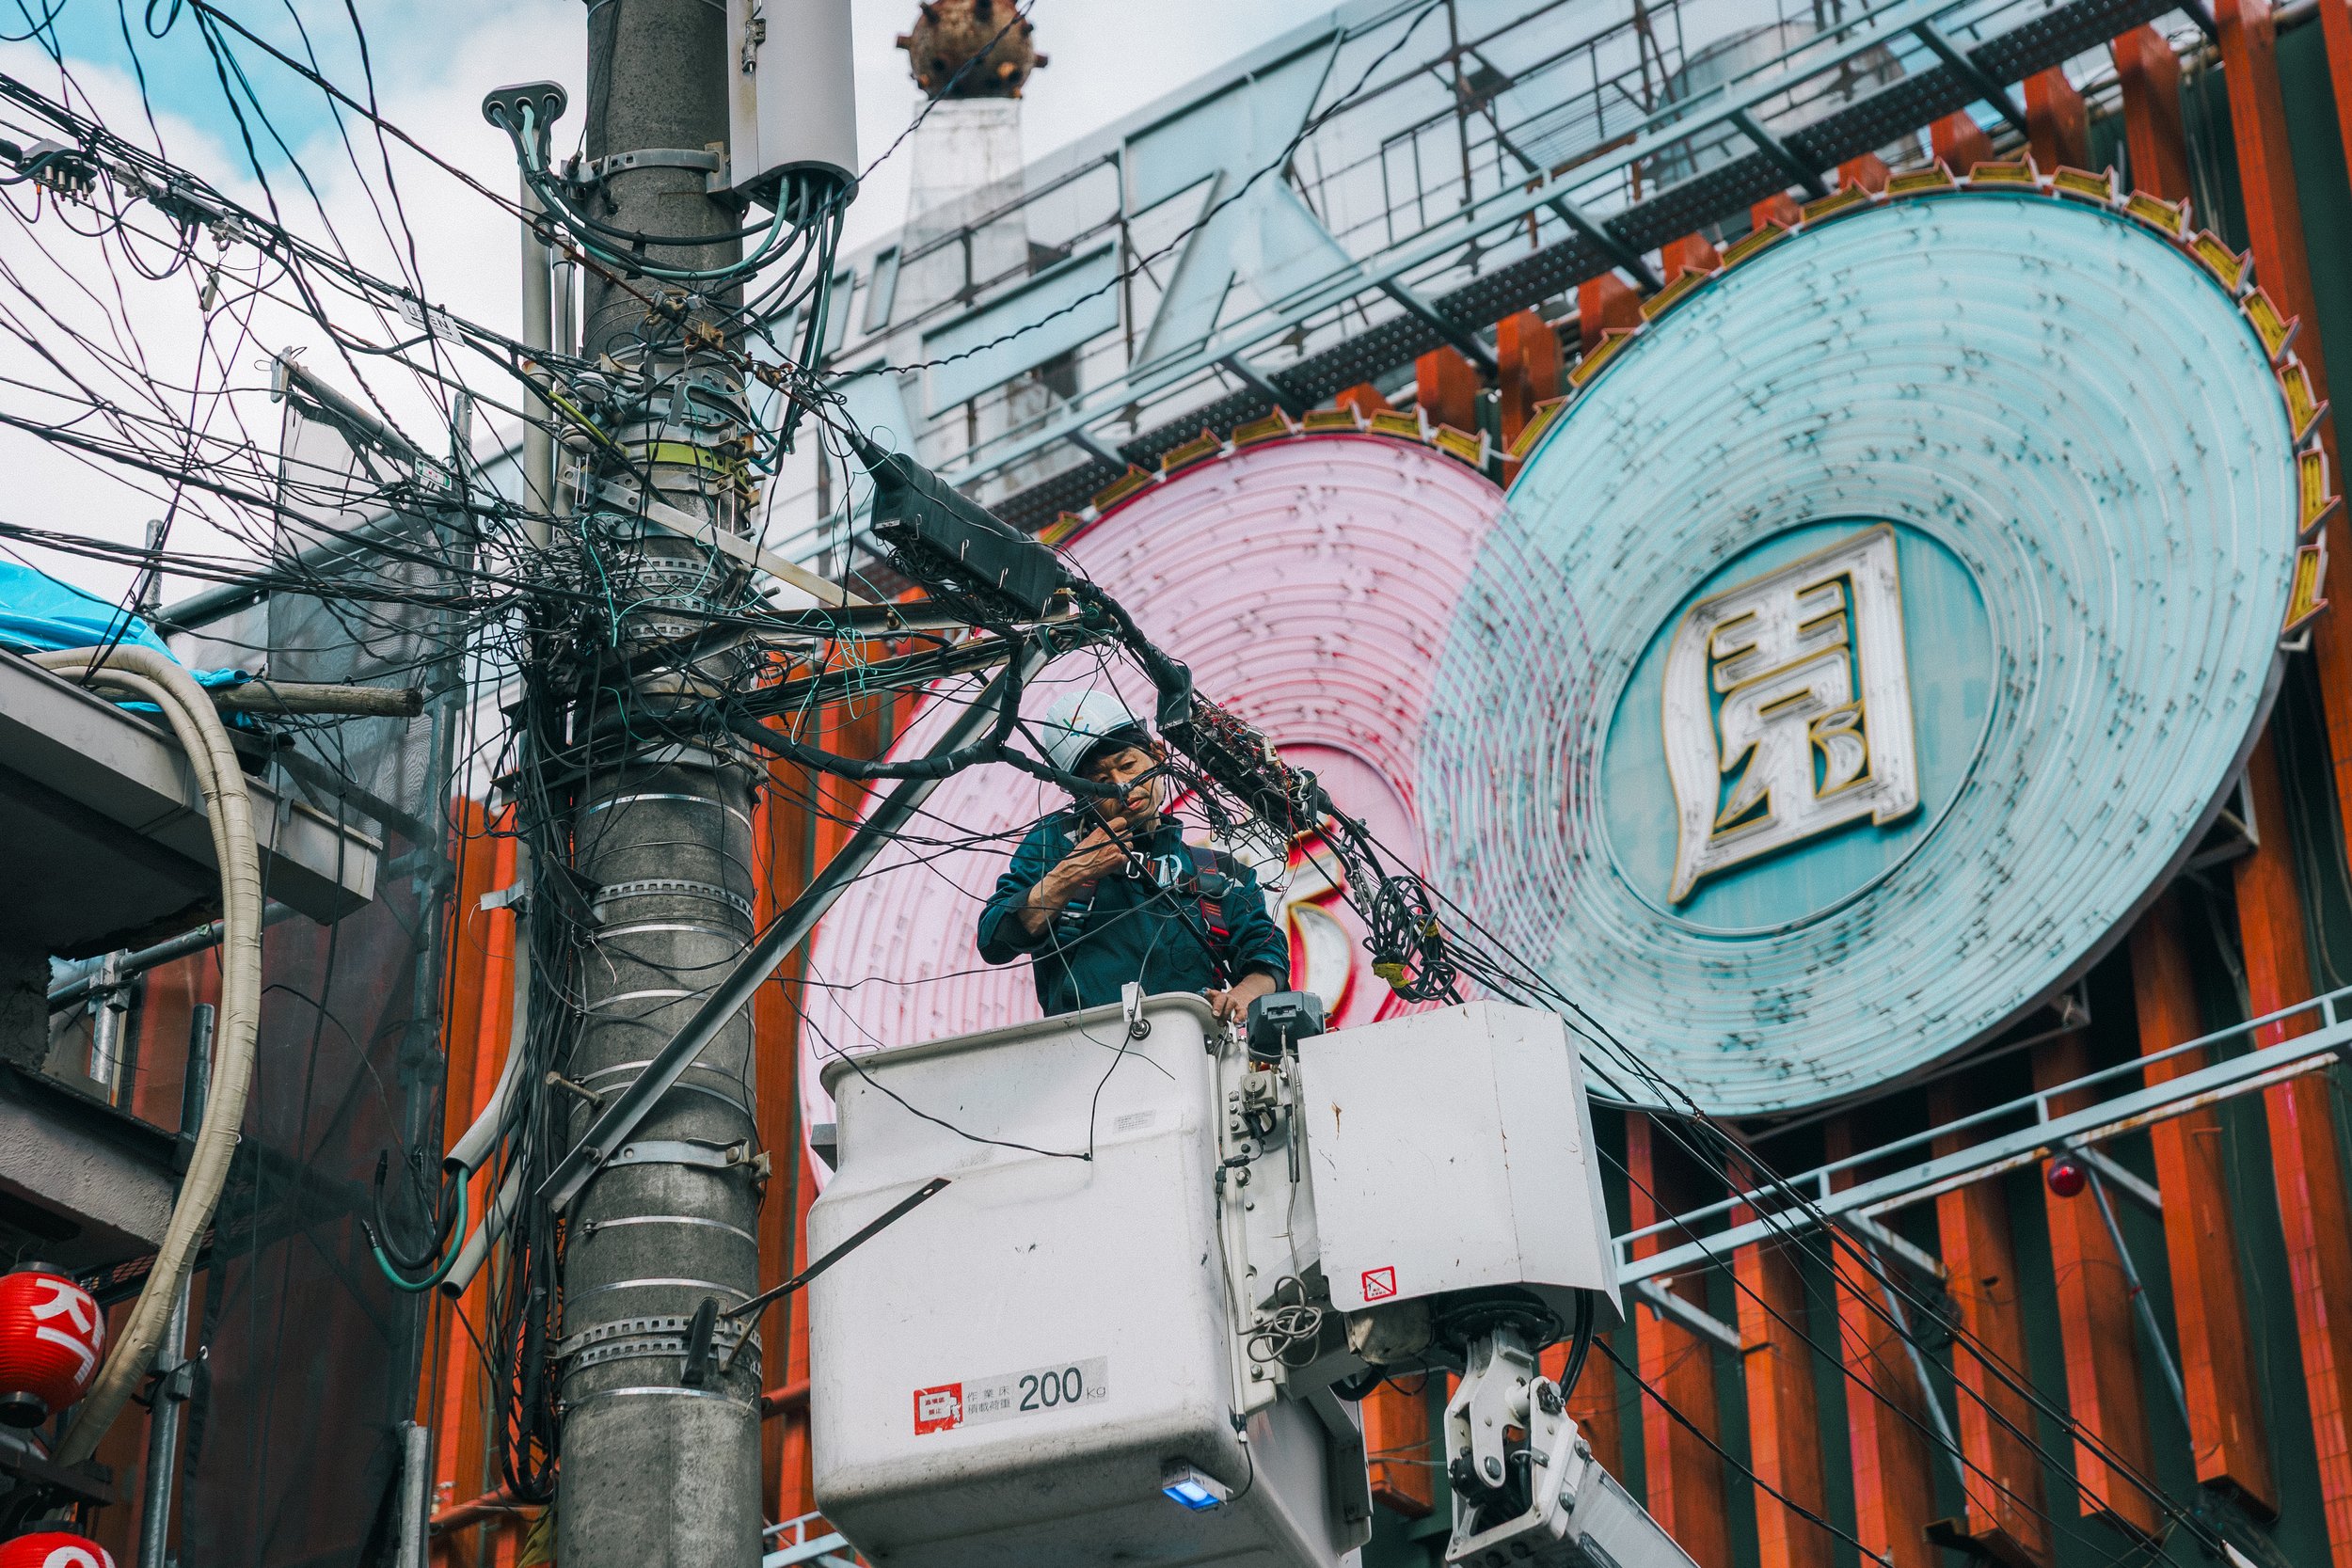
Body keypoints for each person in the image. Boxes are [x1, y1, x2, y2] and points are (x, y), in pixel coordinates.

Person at [977, 690, 1289, 1022]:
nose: (1122, 786)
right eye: (1100, 781)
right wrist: (1072, 872)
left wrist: (1240, 997)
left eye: (1127, 765)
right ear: (1080, 796)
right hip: (1083, 1045)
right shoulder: (1056, 842)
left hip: (1191, 1046)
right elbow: (994, 940)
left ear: (1157, 755)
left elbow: (1266, 953)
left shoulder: (1220, 873)